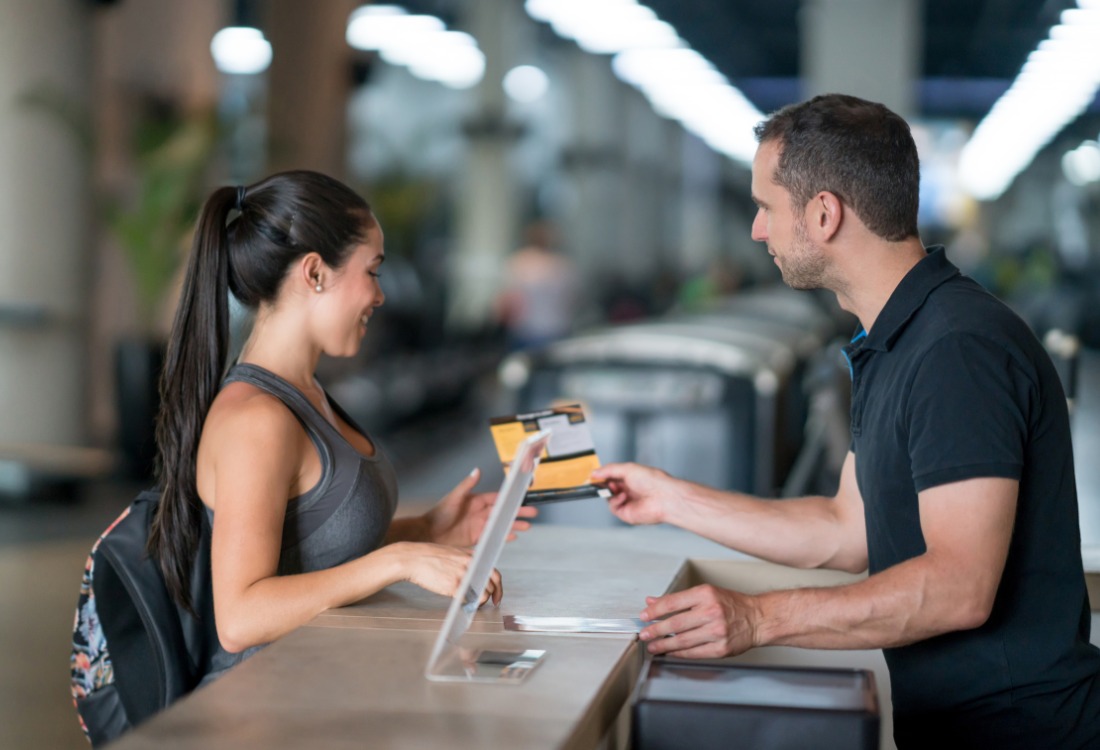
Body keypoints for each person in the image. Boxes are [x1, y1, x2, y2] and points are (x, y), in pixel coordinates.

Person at [591, 94, 1100, 748]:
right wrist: (671, 498)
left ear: (824, 214)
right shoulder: (893, 341)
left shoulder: (957, 351)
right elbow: (845, 531)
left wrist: (756, 620)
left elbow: (958, 587)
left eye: (766, 206)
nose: (756, 229)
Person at [150, 170, 535, 683]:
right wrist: (398, 559)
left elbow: (306, 552)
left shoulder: (307, 395)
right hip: (266, 707)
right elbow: (241, 619)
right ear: (314, 273)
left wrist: (425, 531)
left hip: (325, 684)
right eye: (371, 271)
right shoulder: (256, 420)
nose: (379, 296)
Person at [494, 220, 579, 351]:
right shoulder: (563, 265)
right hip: (550, 328)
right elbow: (572, 301)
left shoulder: (519, 262)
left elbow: (509, 301)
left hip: (531, 329)